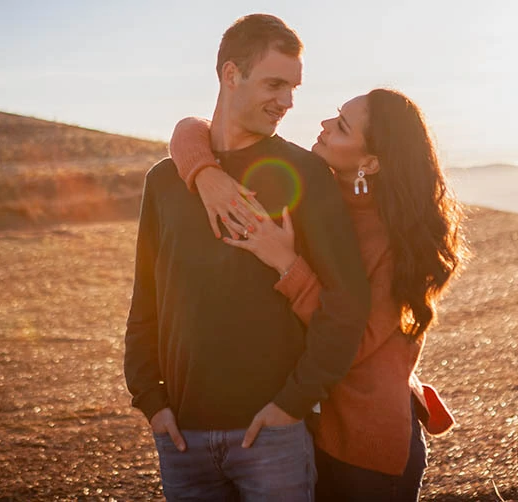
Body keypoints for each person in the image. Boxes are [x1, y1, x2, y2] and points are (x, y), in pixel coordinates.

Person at [169, 87, 466, 501]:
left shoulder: (397, 242)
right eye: (335, 115)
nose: (324, 126)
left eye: (342, 127)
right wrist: (206, 174)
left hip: (363, 447)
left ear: (370, 163)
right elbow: (191, 128)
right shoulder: (321, 191)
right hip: (312, 431)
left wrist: (287, 264)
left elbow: (353, 339)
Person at [123, 14, 371, 501]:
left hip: (273, 437)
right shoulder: (166, 181)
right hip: (181, 439)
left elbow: (348, 302)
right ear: (230, 74)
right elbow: (145, 300)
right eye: (275, 83)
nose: (287, 101)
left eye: (293, 88)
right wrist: (151, 402)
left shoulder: (305, 172)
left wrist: (293, 405)